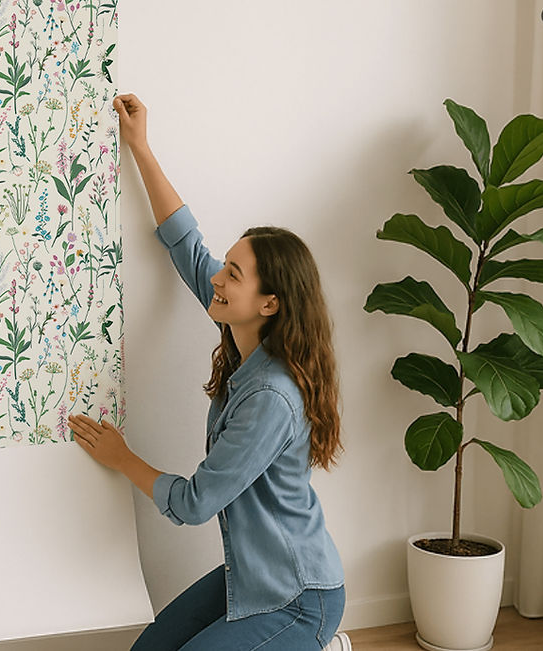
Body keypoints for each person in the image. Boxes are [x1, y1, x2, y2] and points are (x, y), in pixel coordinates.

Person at [68, 95, 349, 651]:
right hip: (251, 575)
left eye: (234, 273)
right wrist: (140, 147)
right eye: (227, 265)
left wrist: (122, 458)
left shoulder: (271, 396)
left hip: (299, 598)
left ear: (269, 303)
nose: (218, 277)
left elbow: (196, 502)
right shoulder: (243, 333)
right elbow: (186, 245)